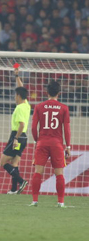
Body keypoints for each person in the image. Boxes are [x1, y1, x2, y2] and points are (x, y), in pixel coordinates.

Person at [30, 80, 71, 208]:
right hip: (57, 144)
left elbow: (33, 128)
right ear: (59, 93)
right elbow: (67, 129)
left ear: (46, 92)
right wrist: (68, 146)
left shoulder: (39, 106)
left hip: (42, 143)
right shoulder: (64, 108)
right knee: (59, 173)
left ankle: (35, 201)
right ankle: (60, 202)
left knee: (38, 172)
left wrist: (37, 141)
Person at [0, 66, 30, 194]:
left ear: (18, 96)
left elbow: (22, 124)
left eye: (15, 94)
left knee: (3, 162)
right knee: (14, 163)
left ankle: (21, 181)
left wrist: (15, 138)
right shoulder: (26, 104)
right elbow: (22, 88)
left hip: (17, 136)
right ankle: (13, 189)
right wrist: (17, 76)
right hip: (24, 138)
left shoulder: (19, 108)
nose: (14, 97)